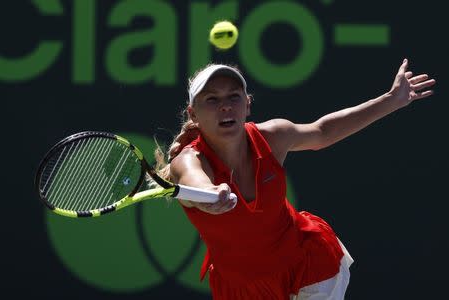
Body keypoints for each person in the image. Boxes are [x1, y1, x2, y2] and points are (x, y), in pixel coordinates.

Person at [154, 59, 435, 299]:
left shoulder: (273, 136)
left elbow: (323, 131)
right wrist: (210, 195)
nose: (225, 106)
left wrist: (392, 100)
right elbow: (194, 181)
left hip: (309, 262)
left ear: (247, 104)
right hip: (241, 287)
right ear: (194, 114)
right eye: (212, 99)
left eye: (233, 97)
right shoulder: (188, 161)